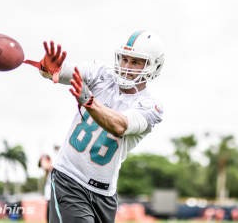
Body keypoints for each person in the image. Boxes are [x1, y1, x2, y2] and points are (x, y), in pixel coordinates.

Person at [25, 30, 165, 223]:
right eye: (124, 59)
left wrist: (88, 101)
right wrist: (47, 68)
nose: (126, 66)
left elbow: (120, 125)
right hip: (69, 179)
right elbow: (56, 72)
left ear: (153, 66)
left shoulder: (151, 106)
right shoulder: (101, 74)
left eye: (135, 62)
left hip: (105, 195)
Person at [38, 154, 53, 221]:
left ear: (48, 161)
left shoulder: (55, 171)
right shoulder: (48, 174)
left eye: (42, 164)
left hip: (53, 201)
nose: (42, 167)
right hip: (49, 201)